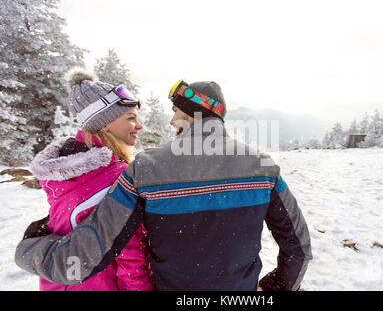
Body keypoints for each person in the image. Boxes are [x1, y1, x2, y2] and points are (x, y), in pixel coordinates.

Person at [16, 79, 312, 291]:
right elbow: (298, 244)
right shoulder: (262, 165)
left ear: (187, 114)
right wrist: (279, 285)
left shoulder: (146, 168)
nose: (171, 121)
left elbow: (90, 251)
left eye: (175, 112)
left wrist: (31, 248)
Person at [25, 68, 152, 291]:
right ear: (105, 124)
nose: (139, 126)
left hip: (61, 283)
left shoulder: (63, 170)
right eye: (131, 118)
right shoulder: (119, 178)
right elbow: (130, 254)